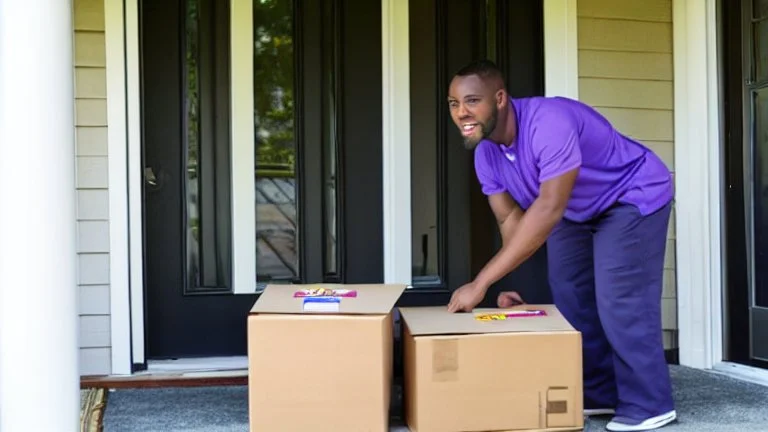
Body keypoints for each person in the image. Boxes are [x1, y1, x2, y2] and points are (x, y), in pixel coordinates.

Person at [445, 59, 676, 432]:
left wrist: (482, 282)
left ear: (500, 98)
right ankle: (600, 393)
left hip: (630, 195)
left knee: (619, 296)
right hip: (575, 210)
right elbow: (511, 222)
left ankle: (649, 403)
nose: (462, 113)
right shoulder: (486, 155)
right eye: (454, 104)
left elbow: (548, 209)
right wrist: (509, 279)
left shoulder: (548, 123)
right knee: (570, 293)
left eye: (472, 101)